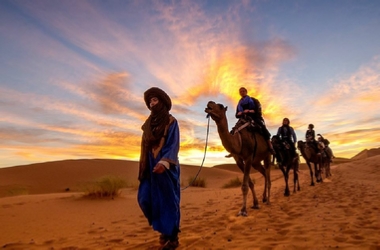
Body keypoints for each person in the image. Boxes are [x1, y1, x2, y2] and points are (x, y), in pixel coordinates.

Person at [137, 87, 181, 250]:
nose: (151, 103)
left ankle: (173, 237)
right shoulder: (147, 125)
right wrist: (144, 167)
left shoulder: (171, 122)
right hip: (150, 168)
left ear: (161, 102)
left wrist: (164, 162)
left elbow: (173, 144)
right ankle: (164, 229)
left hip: (167, 168)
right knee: (145, 199)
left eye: (154, 100)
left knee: (168, 202)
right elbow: (143, 148)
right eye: (150, 101)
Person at [235, 87, 275, 154]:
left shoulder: (253, 100)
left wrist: (250, 111)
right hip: (243, 118)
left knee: (263, 128)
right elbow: (236, 115)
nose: (242, 92)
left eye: (243, 91)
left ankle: (270, 147)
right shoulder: (239, 103)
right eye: (240, 91)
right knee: (234, 130)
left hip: (254, 117)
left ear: (246, 91)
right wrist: (240, 113)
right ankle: (235, 149)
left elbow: (257, 109)